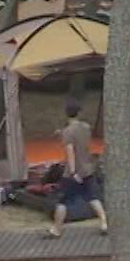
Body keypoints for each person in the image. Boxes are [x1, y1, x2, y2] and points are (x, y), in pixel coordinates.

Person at [46, 100, 107, 238]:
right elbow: (78, 136)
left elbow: (70, 151)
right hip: (88, 168)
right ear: (79, 113)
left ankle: (56, 230)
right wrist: (62, 133)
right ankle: (104, 223)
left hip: (73, 172)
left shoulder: (68, 132)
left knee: (62, 201)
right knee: (92, 196)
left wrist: (73, 172)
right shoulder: (86, 127)